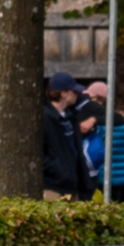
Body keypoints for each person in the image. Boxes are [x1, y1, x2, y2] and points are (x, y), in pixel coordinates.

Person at [42, 72, 92, 201]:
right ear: (63, 93)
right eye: (73, 91)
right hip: (53, 186)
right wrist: (58, 170)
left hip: (72, 184)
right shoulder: (45, 117)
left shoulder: (70, 117)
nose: (77, 94)